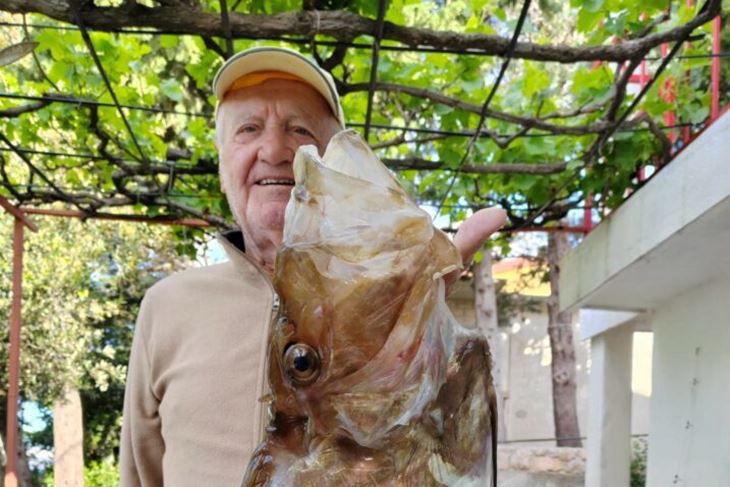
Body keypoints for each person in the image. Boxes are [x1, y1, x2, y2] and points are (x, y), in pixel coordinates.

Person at [119, 46, 506, 486]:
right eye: (248, 129)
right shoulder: (166, 307)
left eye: (299, 130)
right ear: (223, 156)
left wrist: (432, 333)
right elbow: (140, 477)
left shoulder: (401, 308)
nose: (275, 149)